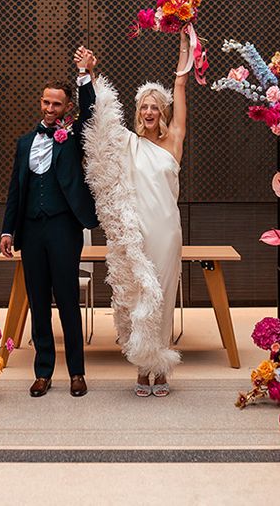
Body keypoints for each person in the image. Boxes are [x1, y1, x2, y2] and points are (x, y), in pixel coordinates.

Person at [83, 30, 189, 396]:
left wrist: (185, 47)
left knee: (163, 293)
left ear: (162, 112)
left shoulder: (174, 140)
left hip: (167, 230)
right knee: (140, 294)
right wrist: (92, 75)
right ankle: (143, 368)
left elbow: (180, 85)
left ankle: (161, 367)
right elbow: (104, 119)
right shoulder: (128, 142)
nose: (147, 112)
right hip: (135, 228)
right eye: (143, 106)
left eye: (154, 107)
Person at [0, 47, 98, 397]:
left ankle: (77, 373)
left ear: (65, 107)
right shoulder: (25, 142)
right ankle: (43, 372)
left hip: (63, 228)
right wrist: (8, 229)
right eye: (45, 103)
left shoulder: (73, 137)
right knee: (38, 303)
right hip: (31, 229)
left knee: (68, 301)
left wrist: (85, 75)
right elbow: (15, 188)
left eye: (56, 104)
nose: (49, 109)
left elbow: (90, 114)